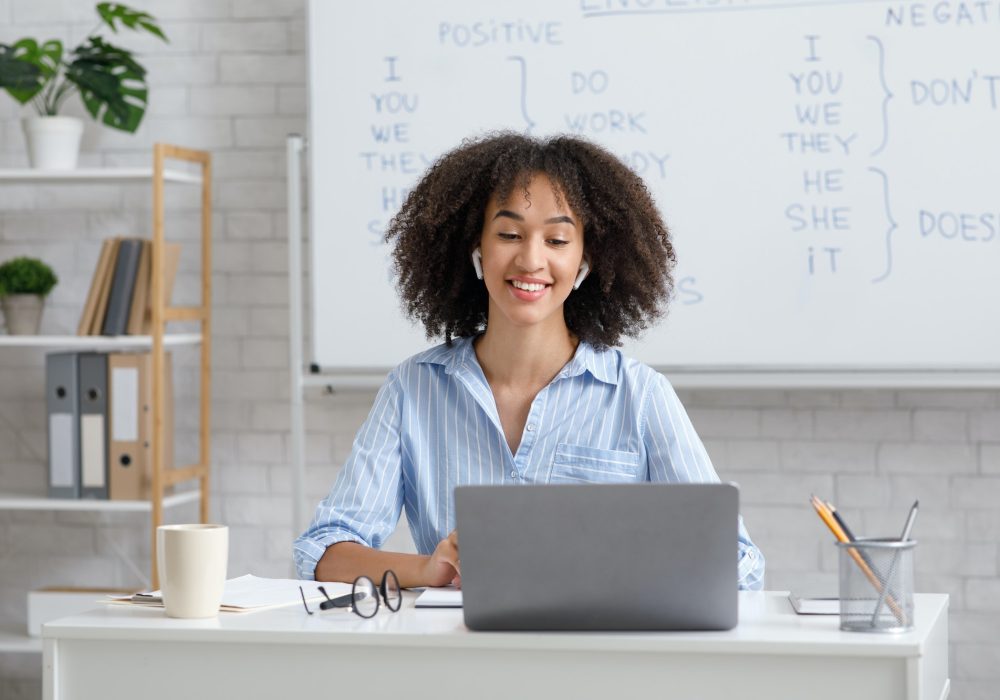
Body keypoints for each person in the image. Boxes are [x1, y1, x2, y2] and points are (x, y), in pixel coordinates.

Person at [294, 132, 765, 590]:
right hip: (459, 659)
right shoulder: (414, 388)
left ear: (586, 259)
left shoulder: (639, 395)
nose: (531, 259)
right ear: (476, 247)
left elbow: (739, 564)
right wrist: (427, 568)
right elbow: (321, 550)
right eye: (509, 234)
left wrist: (619, 569)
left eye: (557, 240)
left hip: (596, 659)